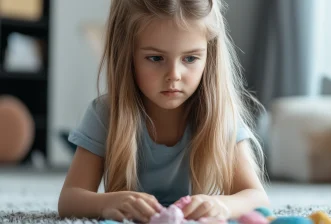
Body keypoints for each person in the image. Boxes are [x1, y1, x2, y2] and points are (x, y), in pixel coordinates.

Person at [58, 0, 269, 222]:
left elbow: (258, 198)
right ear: (127, 55)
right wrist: (108, 202)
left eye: (190, 58)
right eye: (156, 58)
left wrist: (221, 205)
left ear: (210, 56)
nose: (174, 75)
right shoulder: (105, 115)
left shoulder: (220, 117)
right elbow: (69, 200)